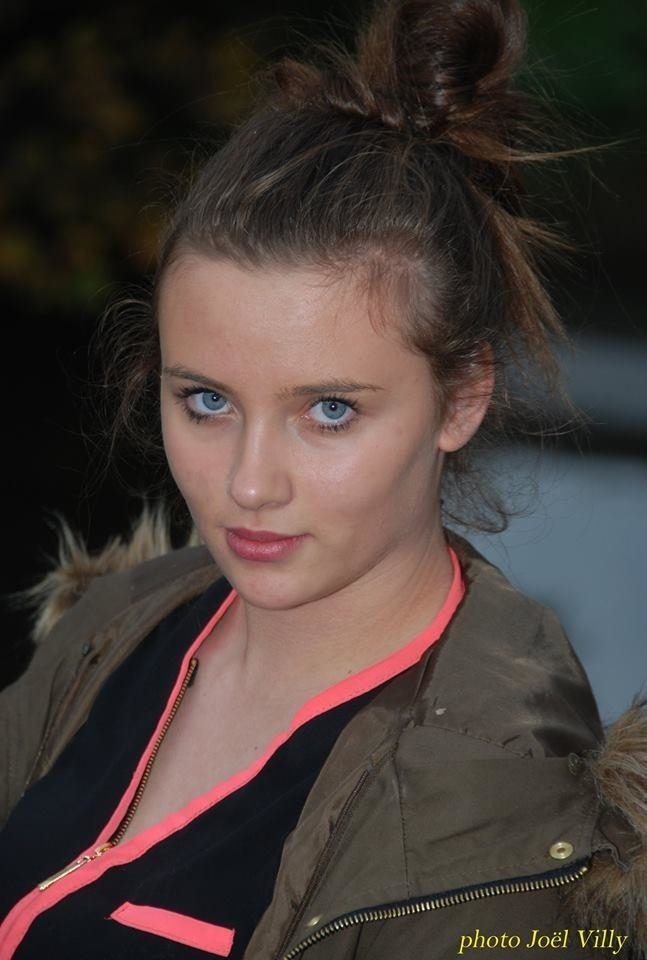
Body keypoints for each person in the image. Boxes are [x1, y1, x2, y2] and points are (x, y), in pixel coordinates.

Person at [0, 0, 645, 957]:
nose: (248, 484)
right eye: (207, 401)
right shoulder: (108, 632)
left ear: (461, 398)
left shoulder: (501, 823)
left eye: (329, 410)